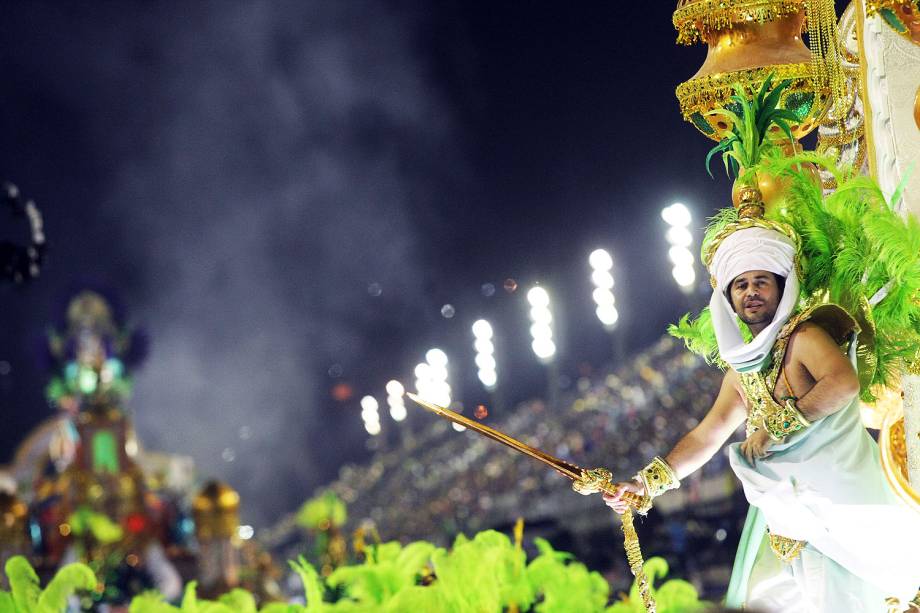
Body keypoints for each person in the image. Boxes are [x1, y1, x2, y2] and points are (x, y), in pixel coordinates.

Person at [602, 218, 920, 612]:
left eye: (761, 281)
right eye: (741, 284)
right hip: (790, 524)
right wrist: (646, 484)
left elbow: (842, 384)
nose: (751, 291)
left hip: (847, 512)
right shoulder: (743, 370)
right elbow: (709, 434)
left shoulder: (804, 338)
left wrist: (778, 428)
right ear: (730, 298)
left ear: (780, 288)